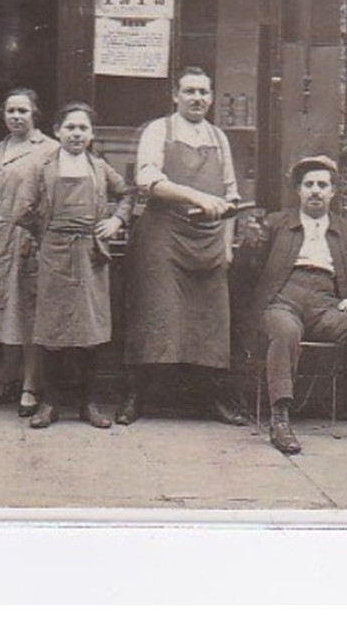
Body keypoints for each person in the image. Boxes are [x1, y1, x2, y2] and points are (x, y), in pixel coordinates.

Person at [118, 66, 249, 427]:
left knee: (210, 321)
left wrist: (226, 245)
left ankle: (210, 399)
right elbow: (146, 179)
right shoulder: (158, 130)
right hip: (163, 237)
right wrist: (194, 195)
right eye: (189, 91)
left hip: (208, 242)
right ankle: (136, 396)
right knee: (153, 315)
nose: (197, 99)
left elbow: (231, 196)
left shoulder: (219, 138)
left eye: (203, 92)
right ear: (175, 95)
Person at [245, 155, 347, 454]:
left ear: (333, 192)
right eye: (309, 185)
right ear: (299, 191)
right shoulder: (277, 223)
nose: (315, 190)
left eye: (322, 185)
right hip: (282, 300)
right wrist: (253, 245)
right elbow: (249, 269)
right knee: (286, 333)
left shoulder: (345, 230)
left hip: (327, 305)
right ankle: (280, 421)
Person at [16, 102, 134, 429]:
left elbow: (128, 194)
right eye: (70, 127)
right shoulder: (42, 167)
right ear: (57, 131)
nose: (76, 134)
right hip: (53, 254)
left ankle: (89, 404)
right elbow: (22, 209)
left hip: (91, 256)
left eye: (83, 128)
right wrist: (49, 234)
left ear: (92, 134)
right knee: (51, 329)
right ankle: (50, 403)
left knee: (90, 331)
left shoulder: (98, 167)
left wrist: (115, 221)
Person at [0, 88, 57, 417]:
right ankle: (9, 378)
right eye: (10, 111)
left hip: (28, 244)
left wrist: (37, 237)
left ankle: (30, 385)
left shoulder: (50, 150)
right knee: (2, 312)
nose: (16, 116)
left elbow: (53, 200)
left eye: (23, 110)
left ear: (35, 112)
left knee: (26, 314)